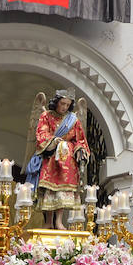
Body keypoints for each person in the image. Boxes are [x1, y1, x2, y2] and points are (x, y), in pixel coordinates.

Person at [31, 89, 90, 229]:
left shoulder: (73, 120)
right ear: (56, 102)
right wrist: (53, 141)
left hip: (67, 160)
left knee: (62, 192)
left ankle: (58, 221)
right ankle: (48, 221)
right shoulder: (46, 116)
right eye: (62, 103)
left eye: (67, 104)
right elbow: (41, 134)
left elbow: (80, 139)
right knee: (50, 190)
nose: (64, 107)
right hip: (51, 158)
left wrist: (80, 150)